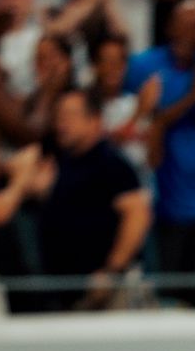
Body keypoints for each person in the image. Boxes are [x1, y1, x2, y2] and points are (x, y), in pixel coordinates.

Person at [126, 0, 195, 287]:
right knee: (167, 297)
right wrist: (193, 96)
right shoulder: (142, 66)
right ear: (169, 28)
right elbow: (132, 122)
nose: (190, 34)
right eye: (183, 25)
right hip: (161, 202)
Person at [32, 84, 152, 303]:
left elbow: (137, 215)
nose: (61, 123)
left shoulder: (111, 164)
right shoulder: (61, 161)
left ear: (95, 120)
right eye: (58, 115)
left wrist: (112, 270)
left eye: (70, 115)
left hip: (103, 291)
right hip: (64, 289)